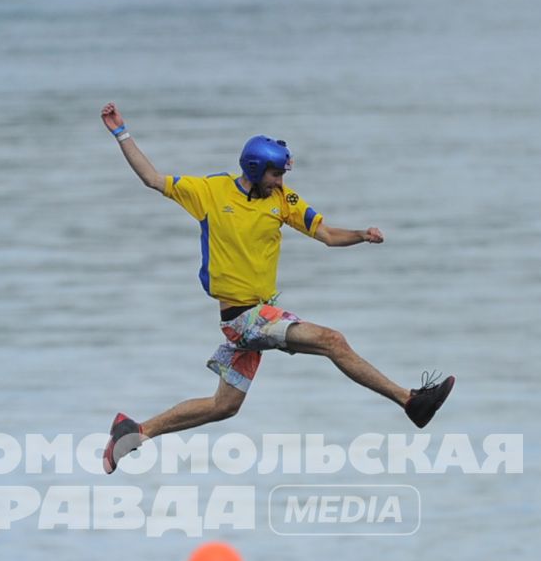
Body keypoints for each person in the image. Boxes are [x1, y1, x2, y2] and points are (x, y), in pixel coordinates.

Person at [98, 102, 455, 473]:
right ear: (254, 169)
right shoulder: (210, 192)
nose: (281, 182)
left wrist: (362, 235)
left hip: (252, 319)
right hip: (246, 319)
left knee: (225, 406)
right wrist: (121, 133)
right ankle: (409, 401)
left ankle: (134, 432)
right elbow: (152, 179)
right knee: (333, 340)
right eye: (275, 175)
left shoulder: (283, 200)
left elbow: (328, 234)